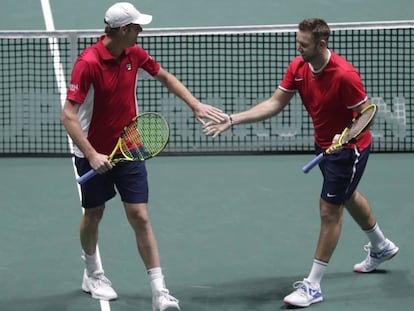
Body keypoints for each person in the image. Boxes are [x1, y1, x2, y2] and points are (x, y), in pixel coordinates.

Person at [203, 18, 399, 308]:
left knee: (329, 210)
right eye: (298, 42)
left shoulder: (345, 76)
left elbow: (366, 113)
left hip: (349, 150)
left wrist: (346, 138)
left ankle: (313, 286)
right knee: (346, 195)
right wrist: (234, 119)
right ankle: (381, 246)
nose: (298, 48)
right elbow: (275, 103)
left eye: (303, 44)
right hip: (324, 145)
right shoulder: (299, 67)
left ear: (321, 44)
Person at [60, 2, 226, 310]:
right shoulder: (88, 63)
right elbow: (68, 115)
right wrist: (92, 154)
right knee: (94, 214)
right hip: (93, 150)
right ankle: (92, 273)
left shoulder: (133, 55)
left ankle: (159, 291)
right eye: (138, 27)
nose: (141, 32)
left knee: (140, 215)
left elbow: (164, 76)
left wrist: (194, 104)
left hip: (129, 145)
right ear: (123, 30)